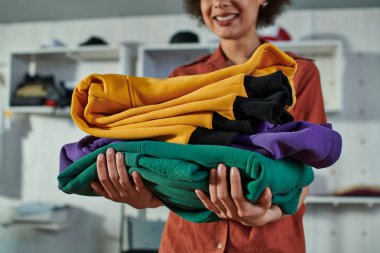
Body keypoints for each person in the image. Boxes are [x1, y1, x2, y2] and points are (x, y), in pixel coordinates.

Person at [90, 0, 327, 252]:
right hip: (188, 243)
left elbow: (303, 174)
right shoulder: (182, 79)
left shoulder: (299, 73)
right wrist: (145, 196)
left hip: (267, 243)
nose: (220, 2)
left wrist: (271, 214)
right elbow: (171, 170)